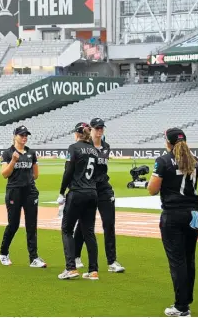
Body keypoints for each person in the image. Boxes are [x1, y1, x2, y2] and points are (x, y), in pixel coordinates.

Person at [147, 128, 198, 317]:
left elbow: (152, 190)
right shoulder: (193, 160)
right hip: (193, 214)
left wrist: (148, 183)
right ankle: (186, 300)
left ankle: (181, 306)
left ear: (168, 143)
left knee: (177, 261)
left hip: (172, 214)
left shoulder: (163, 161)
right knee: (189, 259)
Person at [72, 118, 125, 273]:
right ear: (91, 130)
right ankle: (75, 256)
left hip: (103, 189)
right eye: (97, 128)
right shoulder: (85, 147)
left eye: (102, 128)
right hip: (87, 189)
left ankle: (112, 261)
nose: (100, 131)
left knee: (109, 223)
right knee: (84, 225)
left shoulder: (106, 147)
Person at [0, 125, 46, 268]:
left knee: (32, 225)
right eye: (21, 135)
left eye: (26, 135)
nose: (24, 137)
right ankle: (3, 252)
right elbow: (4, 174)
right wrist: (13, 161)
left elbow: (36, 174)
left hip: (30, 191)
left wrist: (27, 181)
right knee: (13, 224)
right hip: (14, 191)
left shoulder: (31, 152)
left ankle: (33, 257)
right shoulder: (8, 153)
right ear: (15, 136)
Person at [57, 122, 100, 281]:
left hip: (77, 193)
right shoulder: (94, 150)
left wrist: (62, 192)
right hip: (92, 192)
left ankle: (71, 268)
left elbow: (68, 171)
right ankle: (93, 270)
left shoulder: (74, 148)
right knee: (88, 231)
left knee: (67, 229)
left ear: (77, 133)